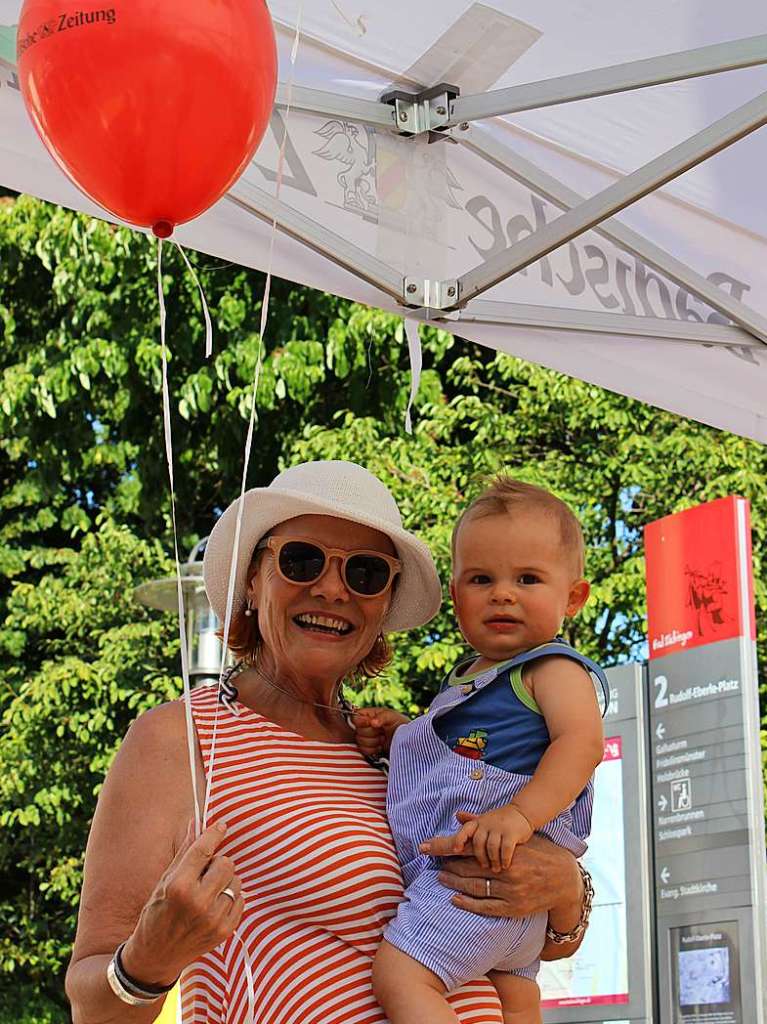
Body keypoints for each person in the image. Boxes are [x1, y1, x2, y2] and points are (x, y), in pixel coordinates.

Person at [65, 461, 593, 1024]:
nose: (332, 588)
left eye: (365, 573)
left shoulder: (397, 750)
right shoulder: (183, 738)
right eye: (301, 561)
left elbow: (529, 940)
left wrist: (564, 889)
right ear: (251, 577)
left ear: (384, 602)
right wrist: (147, 960)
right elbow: (91, 1008)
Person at [355, 477, 607, 1024]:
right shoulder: (471, 679)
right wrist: (404, 734)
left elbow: (582, 743)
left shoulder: (551, 667)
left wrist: (519, 814)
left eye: (528, 578)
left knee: (401, 973)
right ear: (455, 593)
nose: (502, 593)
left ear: (573, 596)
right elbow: (456, 752)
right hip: (510, 908)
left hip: (480, 870)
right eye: (481, 578)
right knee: (514, 999)